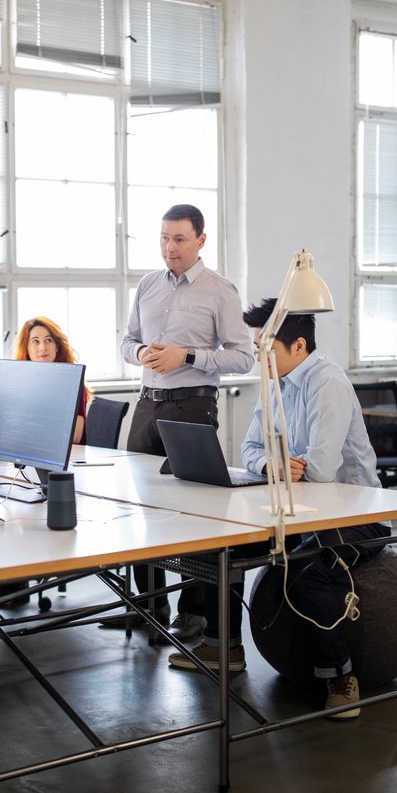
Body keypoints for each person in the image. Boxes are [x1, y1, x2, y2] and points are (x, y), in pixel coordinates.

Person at [166, 298, 388, 718]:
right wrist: (274, 462)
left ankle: (340, 677)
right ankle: (222, 647)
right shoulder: (274, 383)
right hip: (297, 508)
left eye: (264, 348)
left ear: (298, 345)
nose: (256, 357)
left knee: (302, 565)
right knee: (221, 544)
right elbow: (249, 448)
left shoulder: (329, 384)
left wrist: (288, 463)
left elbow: (320, 471)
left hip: (358, 516)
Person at [118, 203, 254, 641]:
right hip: (147, 403)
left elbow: (242, 356)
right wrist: (140, 354)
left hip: (193, 407)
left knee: (193, 513)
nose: (169, 247)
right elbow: (126, 341)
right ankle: (148, 605)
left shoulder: (220, 291)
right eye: (163, 238)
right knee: (138, 507)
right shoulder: (147, 285)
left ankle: (192, 612)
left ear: (200, 240)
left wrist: (188, 355)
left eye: (178, 239)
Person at [15, 315, 89, 444]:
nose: (43, 347)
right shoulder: (21, 384)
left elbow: (75, 436)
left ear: (57, 346)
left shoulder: (72, 382)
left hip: (67, 455)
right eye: (35, 341)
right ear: (26, 348)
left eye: (48, 340)